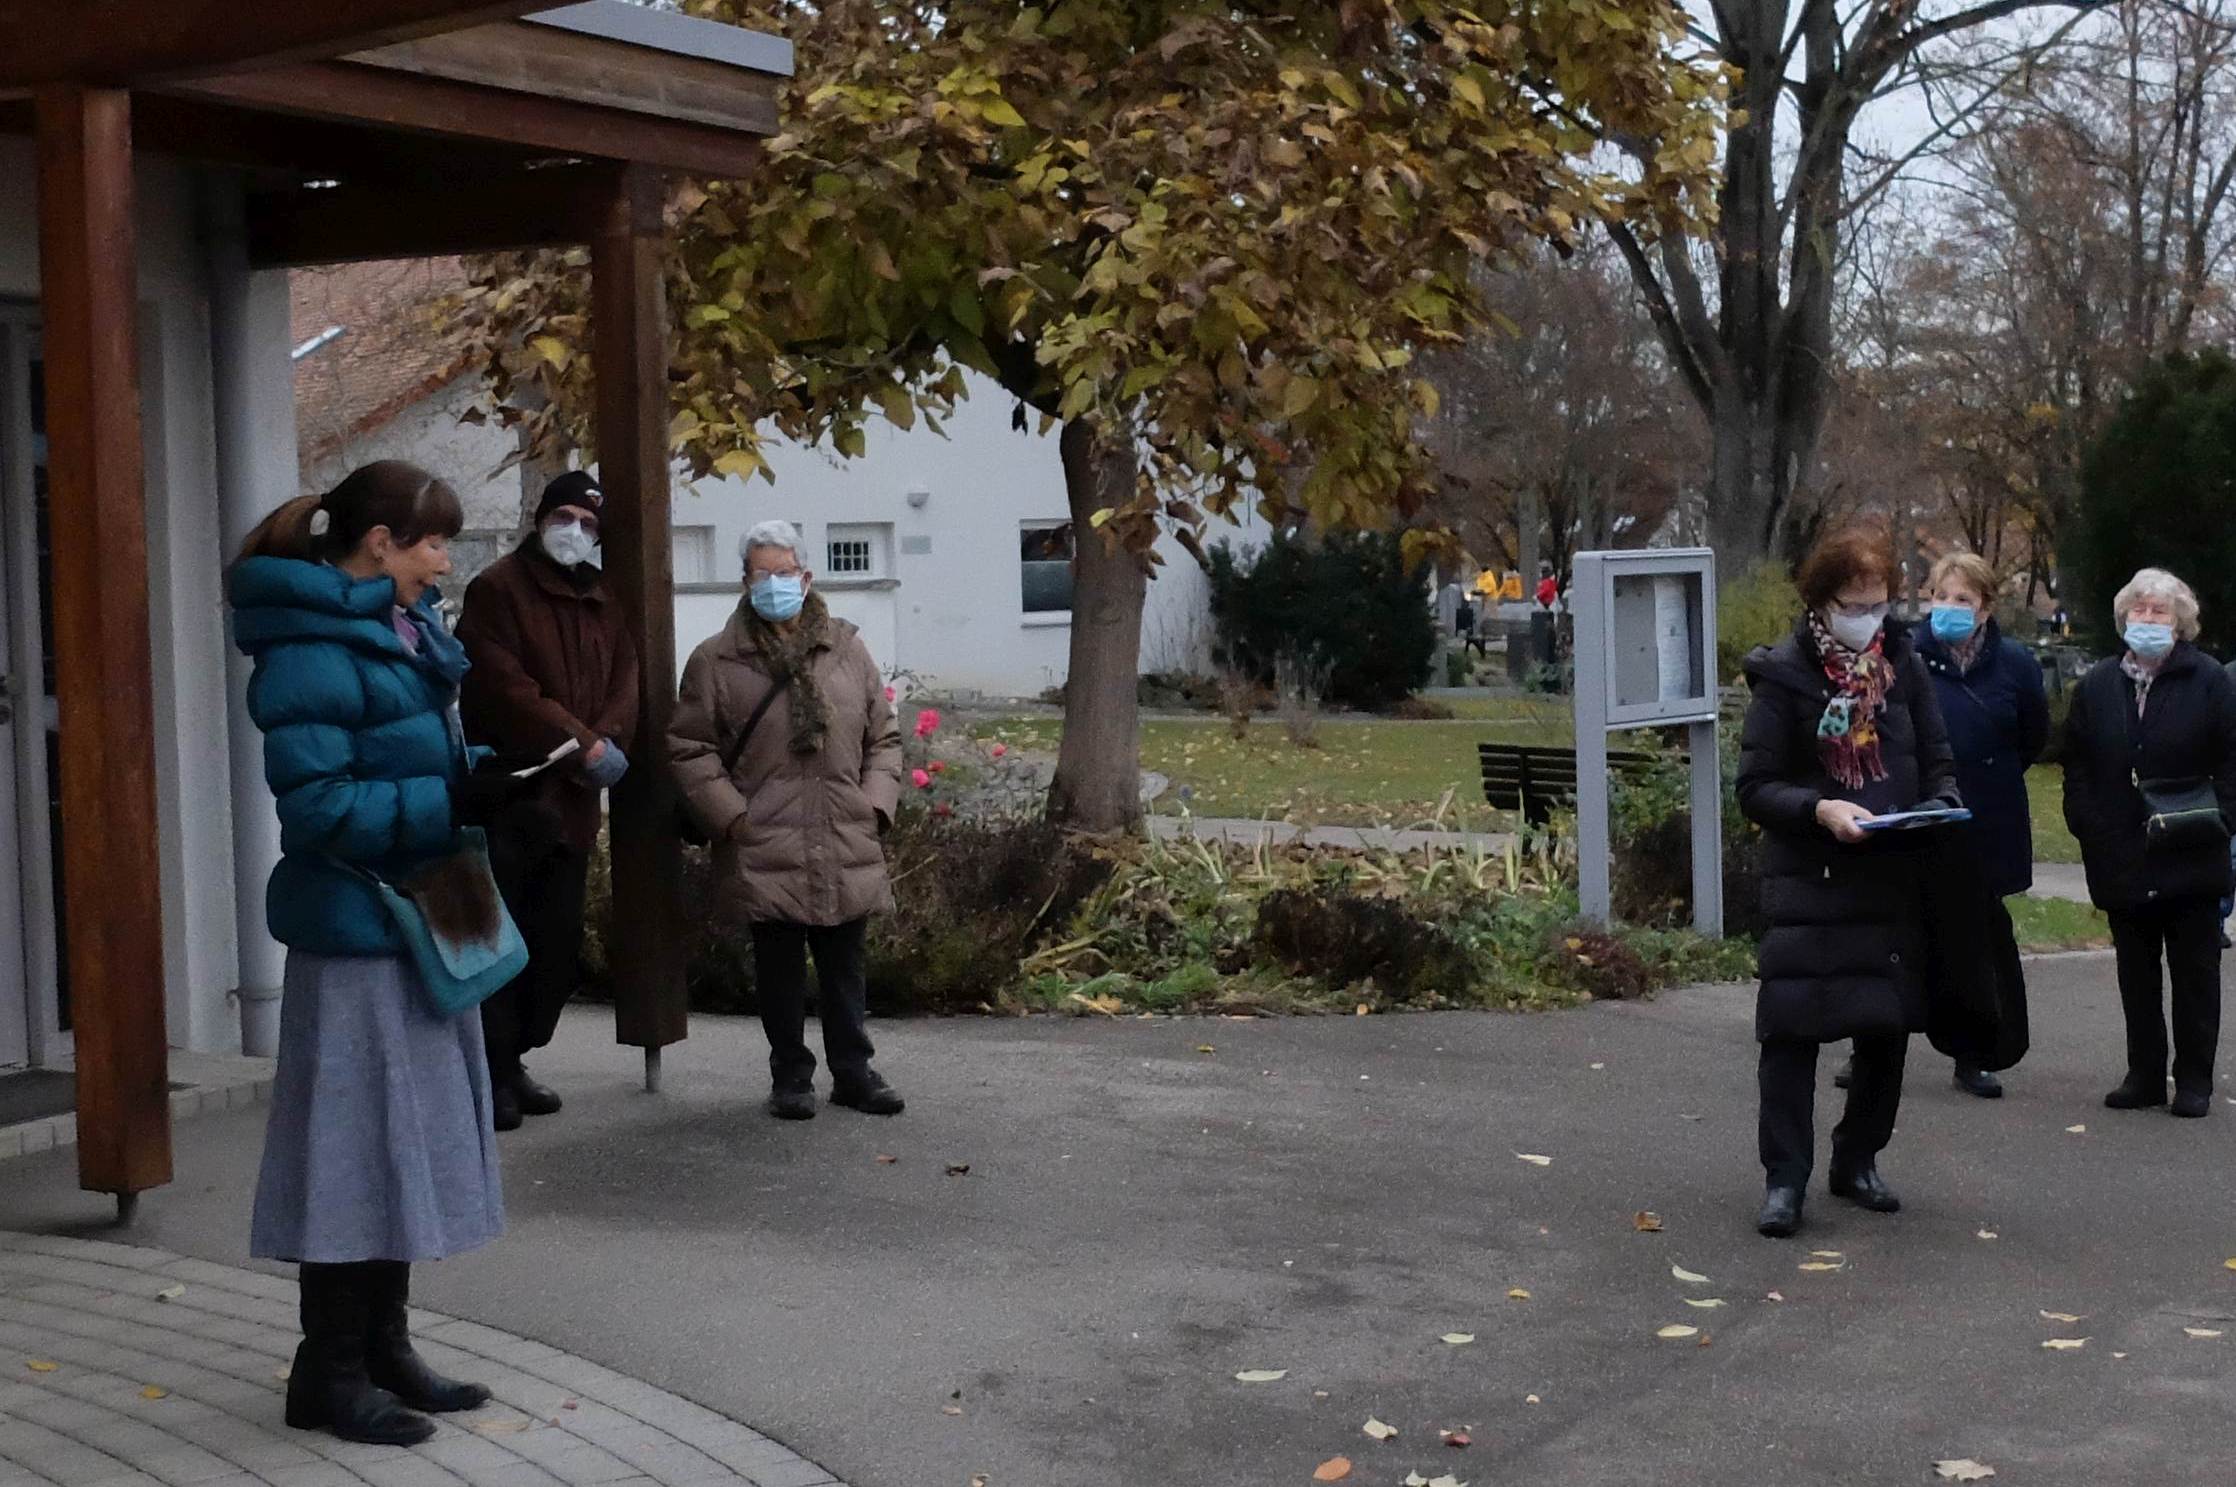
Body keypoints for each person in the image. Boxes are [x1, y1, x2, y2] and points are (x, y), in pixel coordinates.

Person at [229, 461, 505, 1446]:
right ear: (378, 542)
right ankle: (328, 1368)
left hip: (417, 918)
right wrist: (448, 804)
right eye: (432, 540)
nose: (444, 561)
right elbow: (317, 810)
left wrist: (486, 778)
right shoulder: (308, 649)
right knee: (351, 1152)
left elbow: (403, 762)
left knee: (402, 1143)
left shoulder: (402, 631)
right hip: (355, 932)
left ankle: (383, 1345)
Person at [1736, 527, 1960, 1239]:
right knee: (1792, 1029)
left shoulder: (1904, 664)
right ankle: (1785, 1178)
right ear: (1820, 601)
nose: (1871, 619)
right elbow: (1755, 785)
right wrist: (1821, 808)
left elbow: (1936, 756)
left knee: (1885, 1025)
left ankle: (1857, 1158)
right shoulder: (1785, 675)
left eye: (1881, 603)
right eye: (1855, 604)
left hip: (1889, 872)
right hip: (1810, 875)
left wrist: (1939, 804)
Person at [669, 520, 906, 1120]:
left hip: (843, 830)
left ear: (806, 577)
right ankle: (791, 1077)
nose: (775, 584)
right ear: (744, 581)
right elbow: (690, 748)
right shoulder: (716, 661)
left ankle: (854, 1071)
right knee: (778, 969)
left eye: (785, 573)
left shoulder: (847, 649)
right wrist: (733, 818)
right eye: (761, 573)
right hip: (764, 838)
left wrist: (876, 804)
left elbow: (884, 736)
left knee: (844, 965)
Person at [455, 470, 640, 1131]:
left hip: (574, 805)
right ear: (540, 517)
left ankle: (517, 1054)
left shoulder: (601, 597)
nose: (577, 532)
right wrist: (582, 742)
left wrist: (609, 738)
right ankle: (495, 1068)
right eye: (566, 517)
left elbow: (625, 677)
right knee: (500, 942)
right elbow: (502, 686)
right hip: (513, 797)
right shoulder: (498, 589)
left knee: (554, 949)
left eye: (590, 525)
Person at [2061, 568, 2236, 1119]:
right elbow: (2079, 762)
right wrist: (2088, 823)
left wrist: (2224, 818)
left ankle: (2194, 1080)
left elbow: (2232, 758)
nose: (2148, 619)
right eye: (2139, 610)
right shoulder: (2098, 684)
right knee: (2135, 971)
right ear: (2123, 619)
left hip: (2193, 845)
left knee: (2195, 972)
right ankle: (2143, 1073)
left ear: (2180, 621)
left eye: (2159, 611)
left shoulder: (2209, 679)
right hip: (2123, 849)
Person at [1912, 551, 2049, 1097]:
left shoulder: (2014, 664)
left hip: (1987, 820)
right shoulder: (1905, 656)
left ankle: (1975, 1053)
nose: (1948, 608)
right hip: (1921, 818)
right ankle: (1876, 1045)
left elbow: (2033, 736)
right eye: (1940, 597)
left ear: (1986, 608)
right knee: (1903, 933)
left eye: (1962, 599)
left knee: (1978, 943)